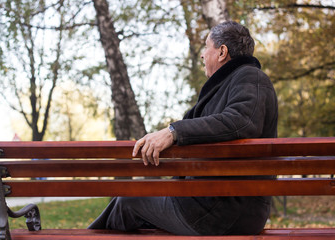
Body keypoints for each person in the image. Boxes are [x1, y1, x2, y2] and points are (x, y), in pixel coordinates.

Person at [88, 21, 278, 235]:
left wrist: (174, 132)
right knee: (136, 203)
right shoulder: (230, 83)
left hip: (221, 212)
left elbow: (241, 121)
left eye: (207, 47)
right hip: (215, 205)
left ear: (222, 52)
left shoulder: (250, 77)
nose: (202, 55)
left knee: (127, 202)